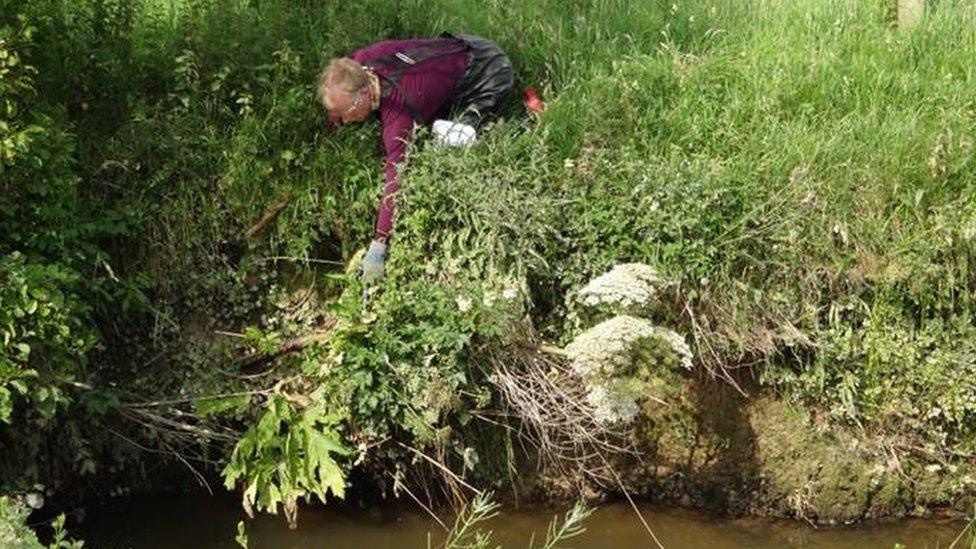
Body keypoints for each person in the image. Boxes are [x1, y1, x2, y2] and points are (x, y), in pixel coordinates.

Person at [316, 33, 515, 283]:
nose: (343, 120)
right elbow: (340, 98)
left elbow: (395, 178)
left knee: (449, 140)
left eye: (346, 113)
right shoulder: (359, 64)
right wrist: (329, 126)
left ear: (365, 93)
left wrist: (379, 244)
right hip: (461, 46)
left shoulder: (399, 113)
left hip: (489, 72)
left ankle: (507, 121)